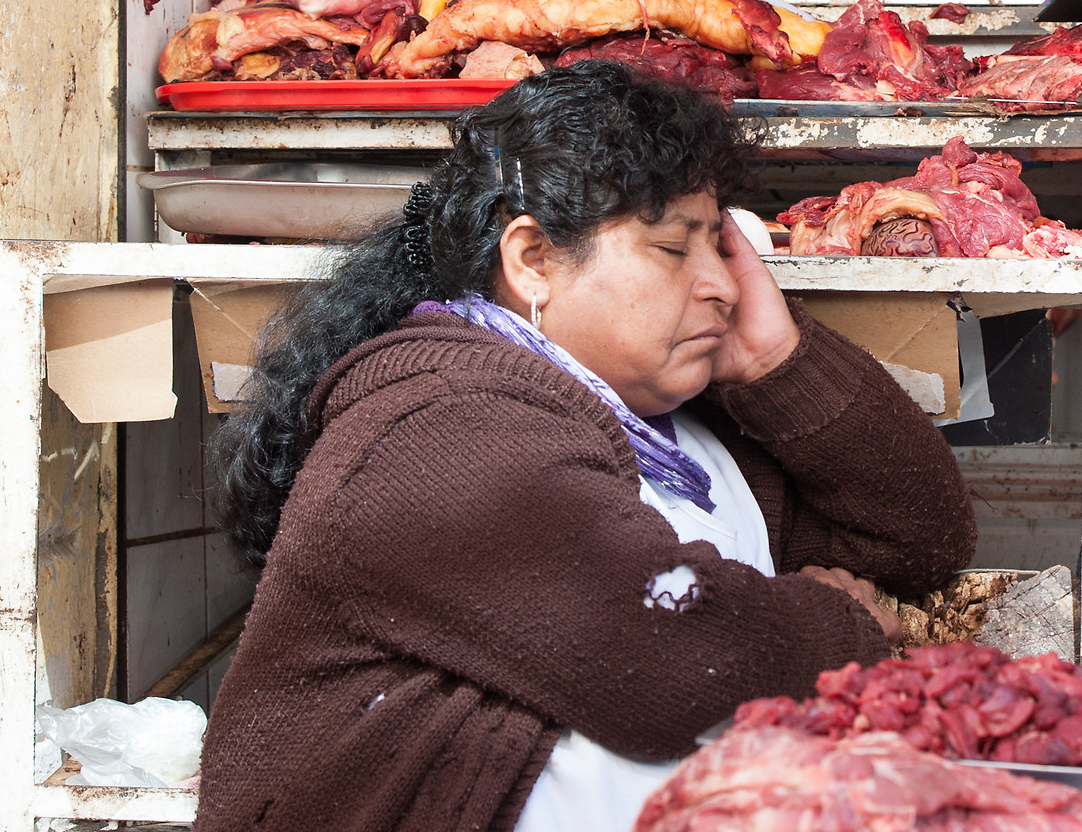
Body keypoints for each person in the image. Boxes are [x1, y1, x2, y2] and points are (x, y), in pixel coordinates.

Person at [197, 63, 978, 832]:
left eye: (723, 247)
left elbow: (915, 539)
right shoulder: (438, 425)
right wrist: (845, 622)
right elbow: (675, 658)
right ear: (532, 258)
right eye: (676, 249)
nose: (725, 284)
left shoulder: (686, 443)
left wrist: (777, 365)